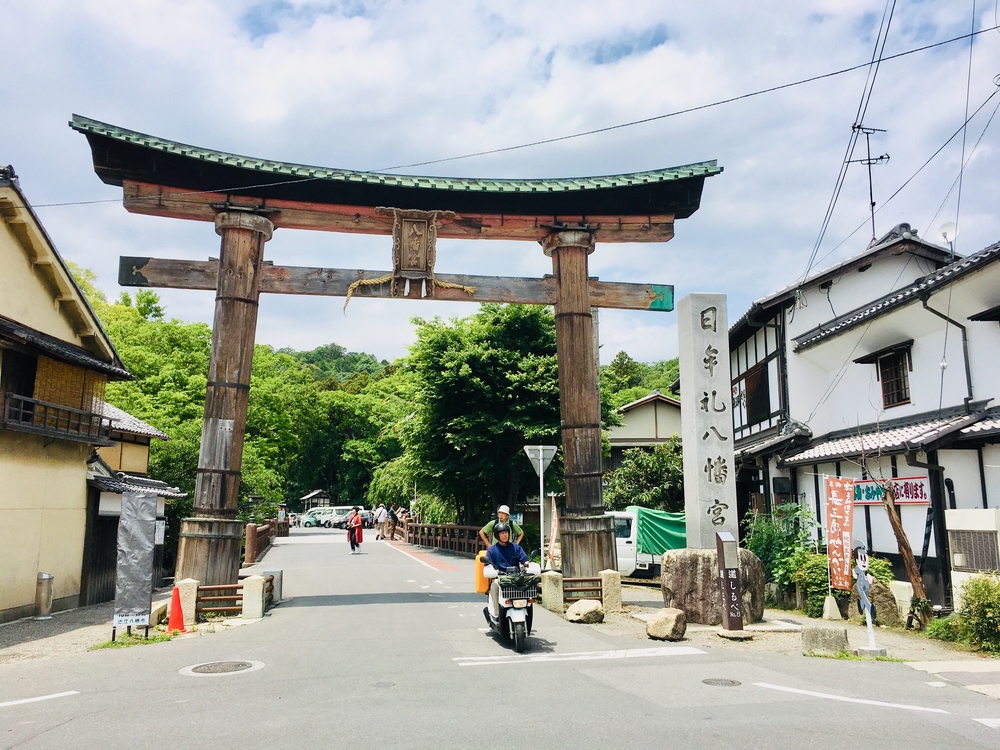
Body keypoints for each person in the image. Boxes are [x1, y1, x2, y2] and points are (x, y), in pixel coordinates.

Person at [484, 522, 530, 623]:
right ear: (497, 535)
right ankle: (496, 614)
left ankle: (527, 611)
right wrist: (491, 570)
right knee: (494, 587)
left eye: (506, 533)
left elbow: (524, 559)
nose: (505, 535)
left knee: (528, 586)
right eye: (502, 533)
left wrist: (527, 562)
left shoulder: (515, 547)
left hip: (515, 577)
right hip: (500, 578)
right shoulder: (492, 550)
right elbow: (487, 565)